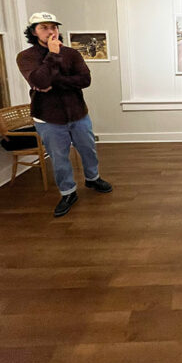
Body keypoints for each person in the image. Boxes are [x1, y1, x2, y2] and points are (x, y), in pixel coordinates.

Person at [16, 12, 112, 218]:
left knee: (88, 149)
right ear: (33, 32)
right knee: (59, 157)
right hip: (48, 117)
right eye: (44, 27)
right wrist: (52, 57)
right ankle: (68, 192)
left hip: (78, 113)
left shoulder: (72, 54)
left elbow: (85, 80)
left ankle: (93, 178)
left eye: (54, 27)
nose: (51, 31)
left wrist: (54, 81)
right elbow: (40, 82)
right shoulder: (26, 57)